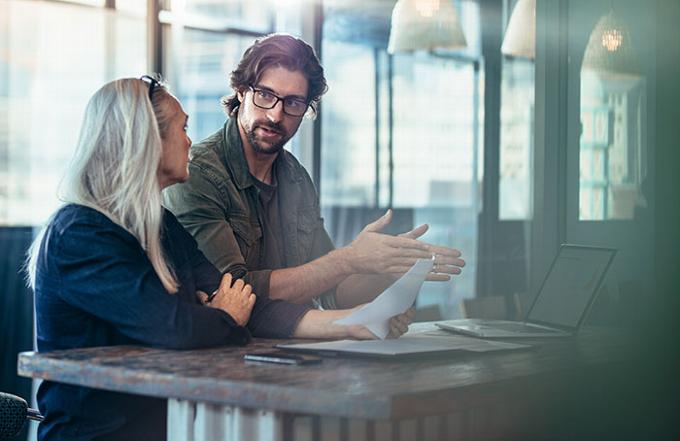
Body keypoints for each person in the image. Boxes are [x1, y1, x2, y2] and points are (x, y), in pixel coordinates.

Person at [25, 76, 413, 441]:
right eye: (182, 129)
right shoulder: (80, 234)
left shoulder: (161, 225)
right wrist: (224, 315)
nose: (190, 141)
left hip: (168, 427)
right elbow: (174, 327)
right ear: (146, 141)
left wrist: (355, 322)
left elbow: (246, 301)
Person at [163, 33, 466, 310]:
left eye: (293, 102)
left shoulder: (295, 177)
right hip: (225, 352)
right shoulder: (197, 173)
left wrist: (388, 266)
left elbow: (332, 292)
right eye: (265, 95)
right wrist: (347, 259)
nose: (275, 115)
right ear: (242, 92)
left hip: (296, 351)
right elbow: (231, 291)